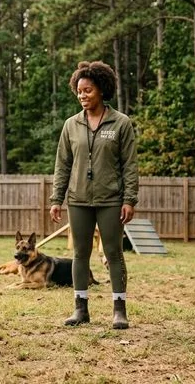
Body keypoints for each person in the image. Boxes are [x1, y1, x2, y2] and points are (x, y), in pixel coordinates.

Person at [49, 60, 139, 329]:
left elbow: (130, 165)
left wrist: (129, 199)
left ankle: (119, 310)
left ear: (101, 89)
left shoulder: (121, 123)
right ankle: (80, 309)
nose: (82, 96)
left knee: (113, 254)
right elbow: (62, 164)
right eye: (79, 91)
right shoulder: (70, 125)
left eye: (87, 90)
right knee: (80, 253)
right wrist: (57, 199)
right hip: (78, 200)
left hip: (111, 200)